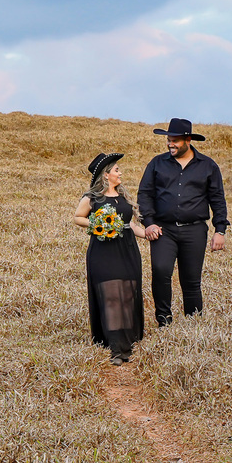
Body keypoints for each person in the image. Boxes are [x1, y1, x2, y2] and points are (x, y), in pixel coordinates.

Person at [137, 118, 229, 327]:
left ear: (188, 140)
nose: (170, 144)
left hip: (194, 230)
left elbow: (217, 198)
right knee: (161, 272)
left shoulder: (208, 166)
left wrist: (220, 230)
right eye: (169, 140)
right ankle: (164, 322)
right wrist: (149, 222)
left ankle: (193, 324)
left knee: (191, 280)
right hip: (163, 230)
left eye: (175, 141)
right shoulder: (156, 163)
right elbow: (145, 194)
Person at [73, 153, 146, 365]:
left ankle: (127, 345)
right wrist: (99, 224)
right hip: (103, 252)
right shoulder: (92, 198)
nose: (120, 173)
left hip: (127, 250)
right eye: (116, 170)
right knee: (111, 296)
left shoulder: (123, 197)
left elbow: (130, 224)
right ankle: (115, 348)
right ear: (106, 175)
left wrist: (149, 235)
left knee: (128, 295)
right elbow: (78, 217)